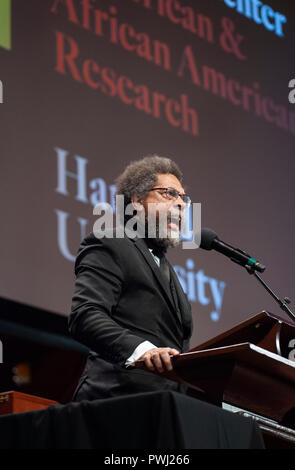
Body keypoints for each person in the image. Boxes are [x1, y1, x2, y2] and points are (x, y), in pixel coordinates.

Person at [69, 155, 193, 401]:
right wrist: (142, 351)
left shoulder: (164, 266)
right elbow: (85, 315)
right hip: (115, 400)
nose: (180, 204)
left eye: (183, 198)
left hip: (165, 405)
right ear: (136, 201)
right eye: (169, 193)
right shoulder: (111, 242)